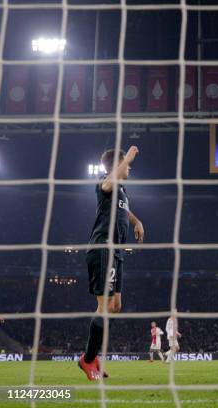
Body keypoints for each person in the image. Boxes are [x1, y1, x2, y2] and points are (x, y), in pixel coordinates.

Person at [79, 146, 144, 381]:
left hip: (116, 252)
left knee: (115, 306)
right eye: (126, 164)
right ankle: (87, 360)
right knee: (104, 307)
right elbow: (108, 183)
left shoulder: (122, 191)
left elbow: (124, 211)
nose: (130, 167)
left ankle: (92, 355)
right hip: (103, 247)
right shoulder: (105, 182)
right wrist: (128, 155)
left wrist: (137, 222)